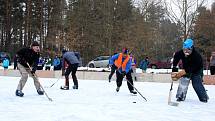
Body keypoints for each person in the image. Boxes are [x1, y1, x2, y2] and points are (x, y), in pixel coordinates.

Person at [171, 38, 209, 103]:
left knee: (196, 84)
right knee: (184, 81)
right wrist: (174, 69)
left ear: (191, 48)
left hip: (196, 70)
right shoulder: (180, 53)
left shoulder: (196, 56)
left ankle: (203, 97)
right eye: (184, 49)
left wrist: (183, 72)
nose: (186, 51)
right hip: (186, 69)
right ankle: (180, 96)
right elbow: (176, 58)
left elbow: (194, 66)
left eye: (188, 49)